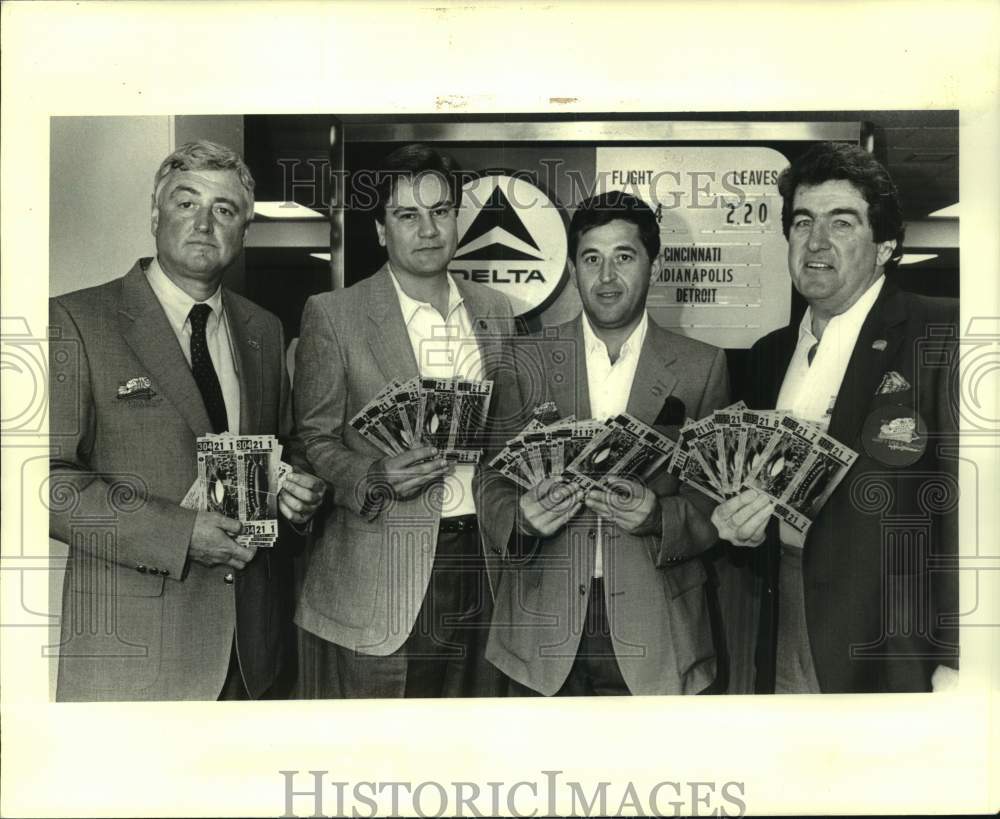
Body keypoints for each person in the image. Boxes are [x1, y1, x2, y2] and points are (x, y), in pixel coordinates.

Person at [49, 140, 325, 701]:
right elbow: (40, 485)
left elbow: (284, 448)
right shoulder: (75, 320)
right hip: (133, 654)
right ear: (155, 214)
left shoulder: (264, 330)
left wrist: (295, 492)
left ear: (244, 229)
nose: (204, 223)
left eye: (224, 210)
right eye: (185, 203)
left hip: (252, 655)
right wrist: (179, 535)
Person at [712, 141, 959, 693]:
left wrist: (959, 658)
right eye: (803, 223)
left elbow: (976, 509)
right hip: (782, 617)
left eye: (841, 223)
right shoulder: (768, 354)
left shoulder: (941, 333)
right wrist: (739, 526)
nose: (816, 242)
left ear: (886, 245)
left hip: (896, 640)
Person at [476, 191, 731, 696]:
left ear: (653, 267)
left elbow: (714, 500)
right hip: (541, 631)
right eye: (592, 259)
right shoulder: (525, 357)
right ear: (573, 271)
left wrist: (660, 516)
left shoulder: (703, 365)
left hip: (657, 630)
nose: (607, 277)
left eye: (624, 257)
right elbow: (490, 475)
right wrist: (521, 517)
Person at [293, 144, 516, 697]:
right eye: (407, 215)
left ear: (457, 219)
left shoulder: (495, 310)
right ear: (379, 229)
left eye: (440, 212)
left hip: (483, 560)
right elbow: (312, 441)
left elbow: (507, 433)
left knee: (474, 741)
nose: (428, 229)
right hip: (381, 570)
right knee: (387, 750)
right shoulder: (334, 315)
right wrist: (374, 475)